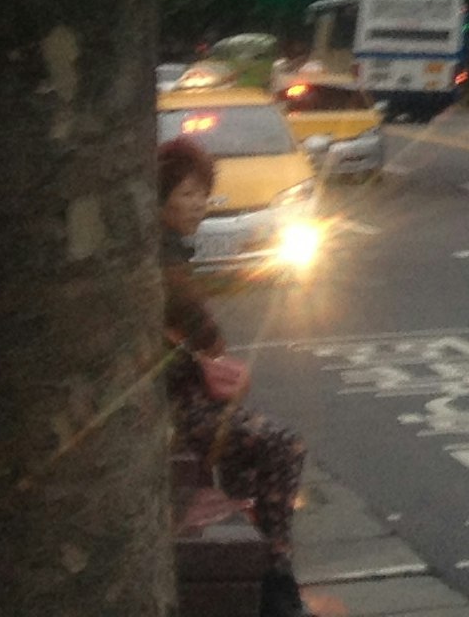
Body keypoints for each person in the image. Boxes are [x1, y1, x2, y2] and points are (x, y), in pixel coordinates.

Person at [159, 137, 308, 616]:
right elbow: (206, 339)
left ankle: (264, 575)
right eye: (186, 193)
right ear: (160, 198)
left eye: (203, 192)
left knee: (248, 461)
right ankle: (277, 577)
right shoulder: (162, 266)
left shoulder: (171, 257)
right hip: (176, 415)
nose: (199, 204)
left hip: (184, 408)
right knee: (284, 446)